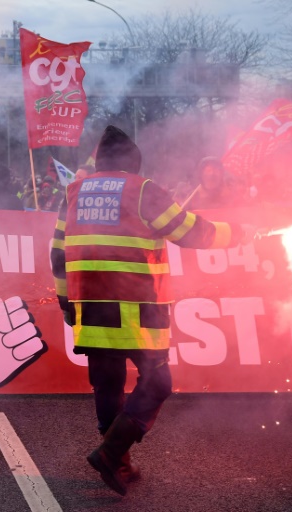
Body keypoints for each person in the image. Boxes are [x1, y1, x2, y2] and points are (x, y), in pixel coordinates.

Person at [50, 126, 250, 496]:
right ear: (133, 163)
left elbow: (58, 254)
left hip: (91, 307)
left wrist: (66, 304)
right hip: (139, 309)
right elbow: (190, 232)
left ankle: (119, 463)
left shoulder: (73, 193)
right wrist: (239, 234)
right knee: (158, 383)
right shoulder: (143, 189)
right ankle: (111, 454)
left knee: (108, 386)